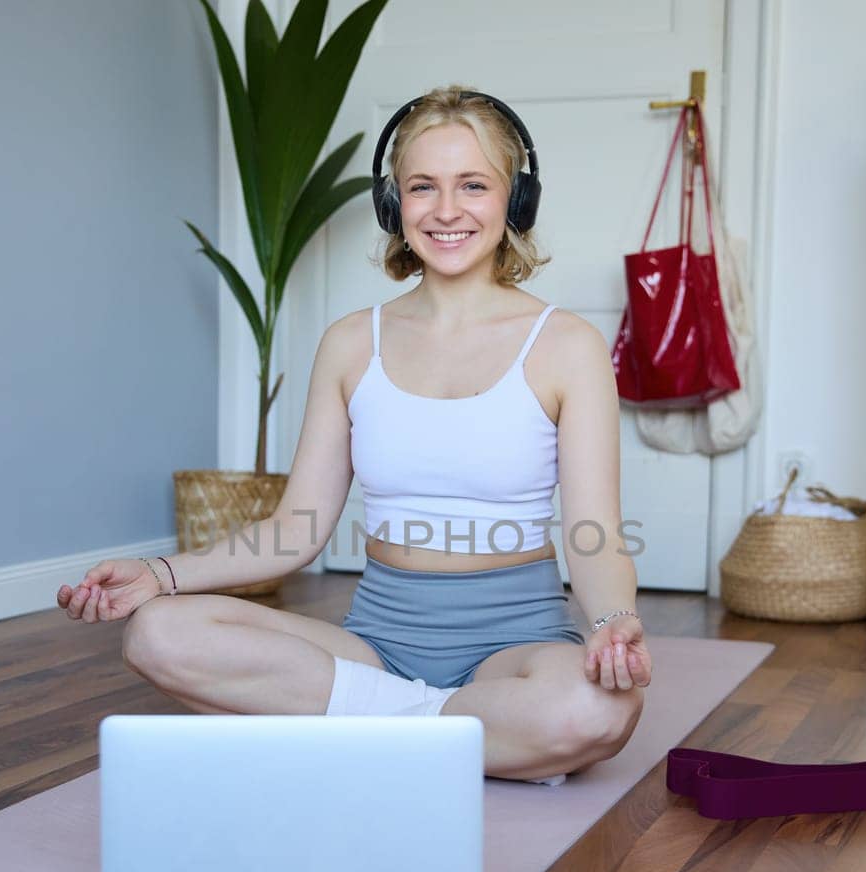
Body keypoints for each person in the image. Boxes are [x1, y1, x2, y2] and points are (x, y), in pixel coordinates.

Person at [54, 85, 652, 784]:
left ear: (515, 201)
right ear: (393, 204)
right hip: (375, 644)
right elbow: (296, 528)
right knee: (157, 632)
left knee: (599, 707)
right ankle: (452, 729)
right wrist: (160, 575)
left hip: (516, 647)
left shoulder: (568, 345)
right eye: (423, 186)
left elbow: (595, 534)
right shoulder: (350, 343)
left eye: (474, 185)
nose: (448, 210)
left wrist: (613, 618)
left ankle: (372, 726)